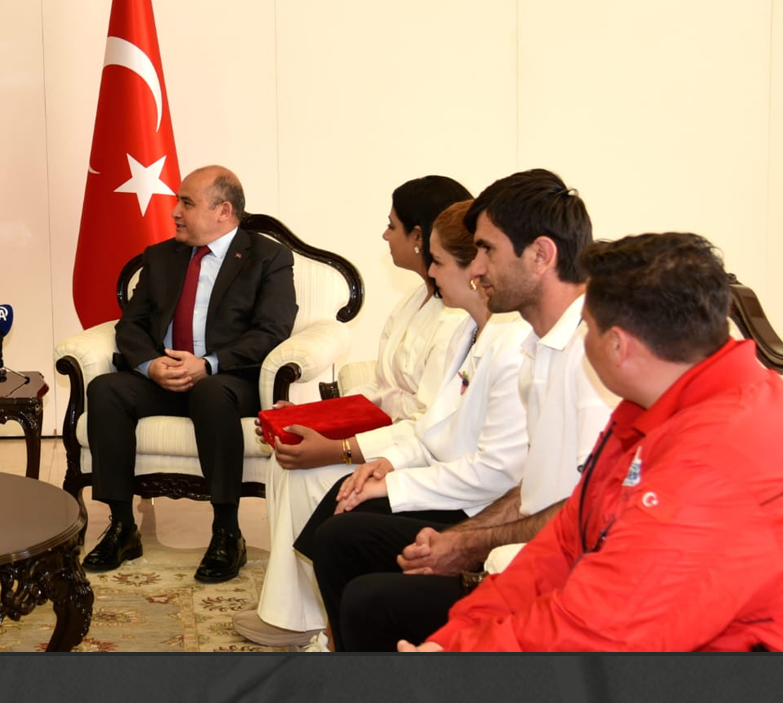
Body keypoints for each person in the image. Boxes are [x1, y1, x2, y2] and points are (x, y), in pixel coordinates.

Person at [403, 232, 783, 651]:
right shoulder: (648, 412)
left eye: (586, 326)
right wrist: (453, 639)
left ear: (617, 345)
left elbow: (602, 632)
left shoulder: (717, 455)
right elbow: (562, 546)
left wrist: (457, 661)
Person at [327, 169, 615, 647]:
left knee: (370, 599)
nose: (475, 269)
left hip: (563, 580)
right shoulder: (538, 346)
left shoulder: (593, 359)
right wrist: (460, 539)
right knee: (350, 553)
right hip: (526, 549)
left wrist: (471, 544)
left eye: (487, 251)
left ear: (541, 255)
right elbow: (531, 489)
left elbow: (583, 512)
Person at [237, 175, 472, 647]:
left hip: (418, 453)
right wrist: (312, 415)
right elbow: (383, 389)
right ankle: (296, 611)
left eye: (392, 225)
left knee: (308, 474)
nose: (384, 235)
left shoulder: (460, 318)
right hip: (390, 437)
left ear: (420, 236)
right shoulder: (415, 299)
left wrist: (341, 449)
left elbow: (428, 425)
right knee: (286, 461)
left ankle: (312, 616)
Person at [294, 200, 531, 647]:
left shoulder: (512, 346)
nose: (432, 273)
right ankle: (340, 637)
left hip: (479, 506)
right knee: (343, 513)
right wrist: (386, 464)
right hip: (453, 485)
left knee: (344, 533)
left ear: (472, 269)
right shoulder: (466, 331)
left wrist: (395, 485)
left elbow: (495, 473)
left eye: (437, 262)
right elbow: (431, 426)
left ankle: (344, 638)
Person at [81, 165, 298, 583]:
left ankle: (227, 532)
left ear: (223, 211)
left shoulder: (268, 257)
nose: (175, 212)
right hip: (164, 378)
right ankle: (122, 526)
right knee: (107, 389)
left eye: (186, 203)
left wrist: (209, 364)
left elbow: (272, 331)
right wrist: (151, 365)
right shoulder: (162, 256)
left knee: (210, 393)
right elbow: (131, 326)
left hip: (229, 380)